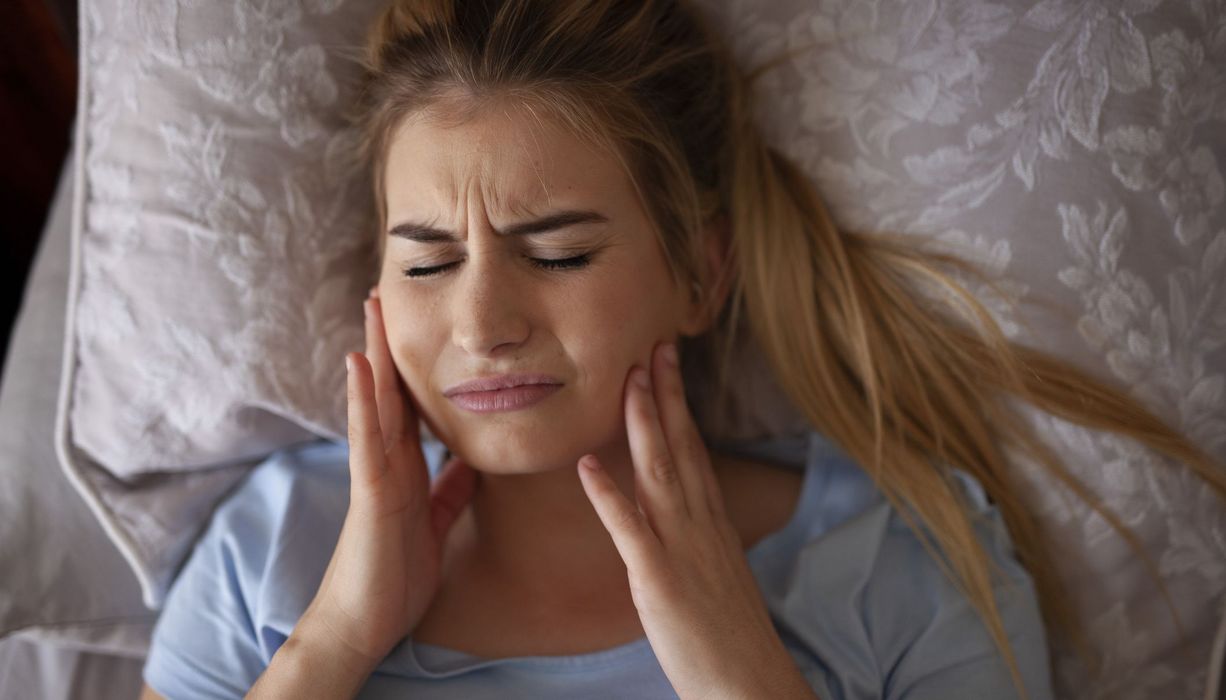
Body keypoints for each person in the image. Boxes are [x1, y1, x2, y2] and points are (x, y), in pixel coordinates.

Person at [138, 0, 1226, 698]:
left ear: (701, 273)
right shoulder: (266, 558)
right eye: (425, 263)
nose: (479, 323)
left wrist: (741, 673)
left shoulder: (903, 567)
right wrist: (333, 644)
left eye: (557, 253)